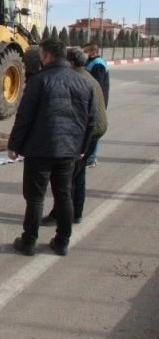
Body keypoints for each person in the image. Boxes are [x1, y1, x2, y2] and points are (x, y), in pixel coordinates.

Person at [7, 40, 96, 256]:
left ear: (46, 56)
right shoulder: (83, 82)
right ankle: (62, 241)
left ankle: (29, 241)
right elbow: (90, 120)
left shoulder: (39, 80)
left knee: (35, 198)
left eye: (41, 55)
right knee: (64, 195)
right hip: (69, 150)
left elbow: (24, 117)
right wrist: (83, 147)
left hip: (40, 150)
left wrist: (14, 145)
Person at [42, 48, 107, 226]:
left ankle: (60, 216)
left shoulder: (76, 80)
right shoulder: (87, 76)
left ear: (70, 63)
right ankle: (76, 213)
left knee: (66, 179)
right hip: (96, 129)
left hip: (87, 132)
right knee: (79, 175)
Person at [82, 42, 109, 167]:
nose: (84, 53)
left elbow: (97, 85)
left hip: (97, 101)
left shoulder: (98, 64)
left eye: (86, 51)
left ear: (93, 52)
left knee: (94, 130)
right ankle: (89, 156)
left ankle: (91, 158)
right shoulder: (90, 62)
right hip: (91, 100)